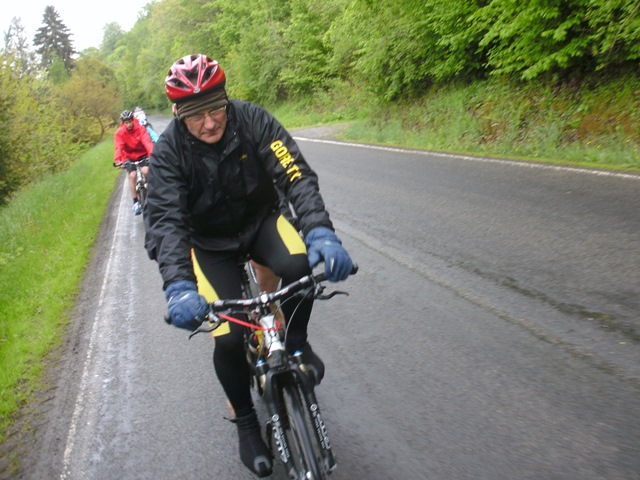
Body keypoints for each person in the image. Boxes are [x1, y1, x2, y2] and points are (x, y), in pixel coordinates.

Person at [143, 54, 353, 477]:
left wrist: (319, 231)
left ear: (227, 98)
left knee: (298, 268)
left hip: (260, 222)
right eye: (194, 114)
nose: (208, 123)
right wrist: (179, 285)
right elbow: (166, 221)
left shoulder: (253, 120)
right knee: (228, 337)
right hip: (210, 246)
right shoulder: (168, 154)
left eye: (216, 107)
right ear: (176, 113)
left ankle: (296, 343)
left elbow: (295, 175)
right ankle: (245, 423)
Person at [114, 110, 154, 215]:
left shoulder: (140, 128)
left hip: (142, 154)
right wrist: (118, 160)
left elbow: (147, 141)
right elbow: (119, 146)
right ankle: (135, 202)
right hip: (129, 157)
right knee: (132, 175)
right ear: (123, 123)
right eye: (126, 122)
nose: (129, 124)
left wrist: (152, 154)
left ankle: (153, 193)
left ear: (133, 120)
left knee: (146, 171)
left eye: (130, 121)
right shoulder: (120, 133)